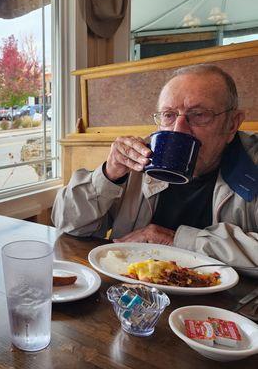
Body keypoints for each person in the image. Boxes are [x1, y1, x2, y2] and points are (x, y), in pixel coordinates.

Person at [52, 64, 258, 266]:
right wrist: (108, 174)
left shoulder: (251, 165)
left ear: (232, 124)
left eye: (198, 115)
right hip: (133, 288)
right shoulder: (139, 156)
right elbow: (68, 224)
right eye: (168, 115)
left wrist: (177, 240)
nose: (179, 130)